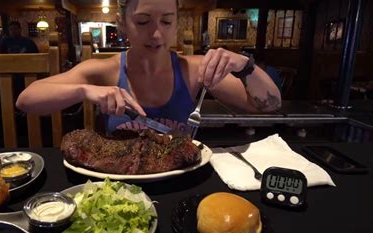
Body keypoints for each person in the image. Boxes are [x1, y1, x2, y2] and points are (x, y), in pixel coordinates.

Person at [16, 0, 281, 134]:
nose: (156, 34)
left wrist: (246, 66)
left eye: (167, 22)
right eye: (143, 22)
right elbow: (26, 100)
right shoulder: (105, 71)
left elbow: (268, 106)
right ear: (122, 23)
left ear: (177, 23)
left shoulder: (197, 70)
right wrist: (84, 91)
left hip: (182, 186)